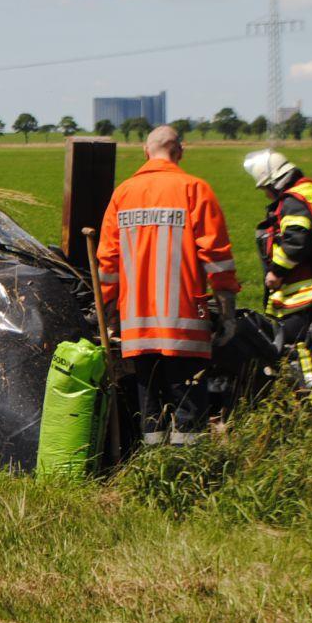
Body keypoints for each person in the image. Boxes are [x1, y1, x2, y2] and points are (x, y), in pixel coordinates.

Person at [97, 125, 241, 446]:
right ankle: (185, 476)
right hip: (184, 324)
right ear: (180, 152)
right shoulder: (195, 189)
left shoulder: (123, 194)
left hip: (137, 328)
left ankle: (152, 472)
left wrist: (107, 319)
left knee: (150, 410)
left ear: (146, 152)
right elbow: (218, 259)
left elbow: (107, 264)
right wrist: (228, 314)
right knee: (188, 406)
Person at [243, 149, 312, 402]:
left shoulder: (293, 201)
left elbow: (297, 241)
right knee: (310, 347)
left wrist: (276, 273)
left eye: (267, 188)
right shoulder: (309, 195)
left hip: (302, 291)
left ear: (277, 181)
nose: (267, 194)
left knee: (298, 347)